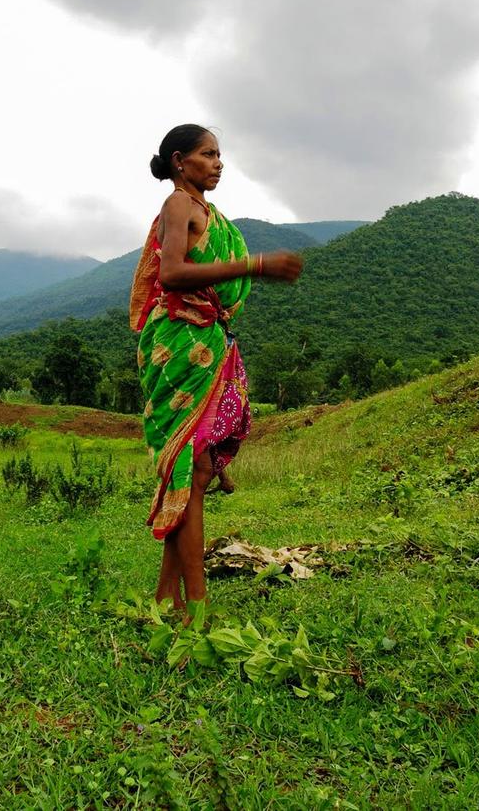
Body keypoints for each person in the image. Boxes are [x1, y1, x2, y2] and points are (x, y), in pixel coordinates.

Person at [129, 124, 303, 613]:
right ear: (181, 162)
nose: (219, 162)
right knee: (194, 465)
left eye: (221, 154)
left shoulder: (209, 212)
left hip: (207, 337)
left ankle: (168, 594)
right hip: (179, 341)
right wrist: (255, 265)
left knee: (196, 470)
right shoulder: (178, 205)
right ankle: (196, 607)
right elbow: (173, 274)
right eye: (209, 154)